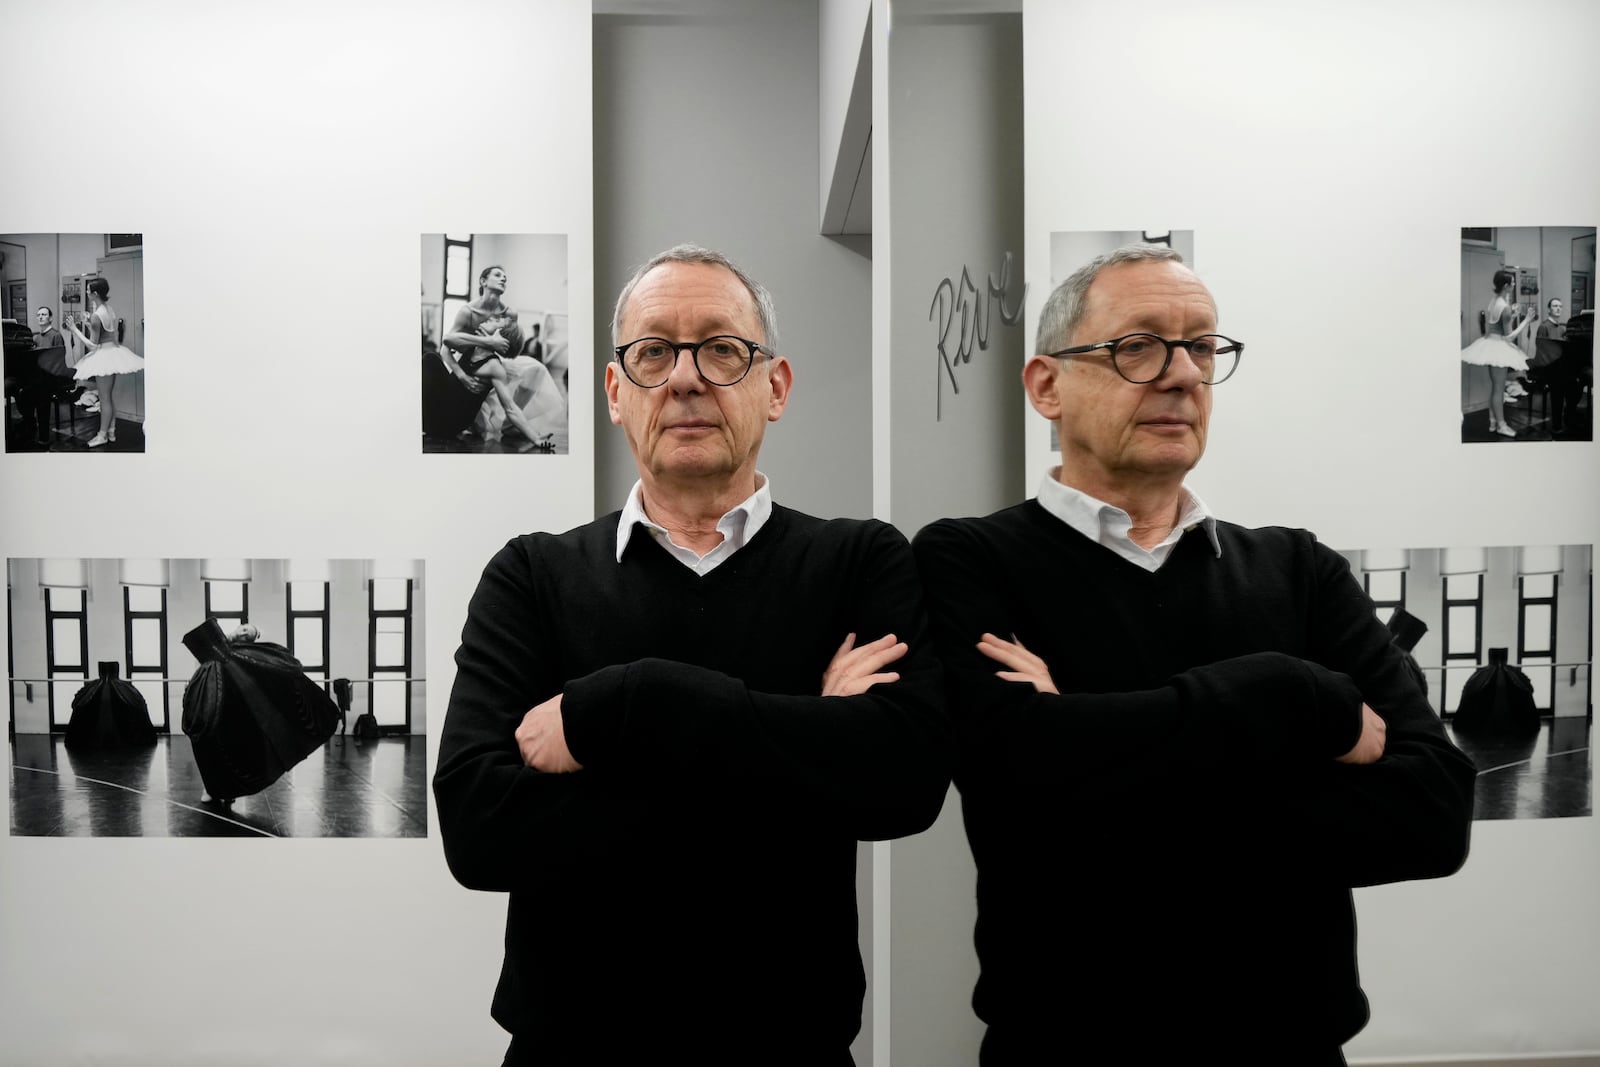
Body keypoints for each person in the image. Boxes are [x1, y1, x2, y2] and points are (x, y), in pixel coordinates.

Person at [912, 245, 1476, 1065]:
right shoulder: (969, 561)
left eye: (1203, 347)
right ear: (1046, 385)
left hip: (1291, 1048)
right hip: (1065, 1048)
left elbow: (1432, 815)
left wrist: (1098, 751)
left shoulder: (1298, 571)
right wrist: (1290, 697)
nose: (1182, 375)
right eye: (1137, 346)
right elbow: (1018, 772)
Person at [434, 244, 951, 1066]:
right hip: (571, 1052)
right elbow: (478, 830)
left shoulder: (859, 561)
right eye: (652, 353)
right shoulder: (532, 575)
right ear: (614, 391)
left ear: (774, 385)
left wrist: (627, 704)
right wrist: (803, 738)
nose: (684, 378)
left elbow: (903, 783)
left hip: (794, 1051)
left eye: (721, 349)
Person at [440, 265, 547, 446]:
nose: (503, 278)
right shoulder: (468, 312)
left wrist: (495, 353)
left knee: (535, 369)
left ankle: (509, 426)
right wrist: (462, 375)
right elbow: (445, 347)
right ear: (483, 281)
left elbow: (509, 339)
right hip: (468, 358)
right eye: (498, 275)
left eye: (505, 277)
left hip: (493, 359)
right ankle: (477, 415)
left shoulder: (510, 313)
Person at [61, 277, 143, 447]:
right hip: (112, 351)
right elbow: (108, 334)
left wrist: (75, 330)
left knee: (104, 398)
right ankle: (111, 430)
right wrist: (89, 324)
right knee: (108, 396)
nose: (86, 292)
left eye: (88, 289)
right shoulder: (108, 309)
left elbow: (92, 346)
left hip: (103, 355)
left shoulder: (97, 315)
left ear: (94, 293)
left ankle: (102, 435)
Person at [1461, 268, 1537, 437]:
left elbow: (1497, 324)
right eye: (1512, 282)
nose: (1514, 284)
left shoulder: (1494, 300)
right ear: (1506, 285)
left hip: (1490, 343)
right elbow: (1509, 337)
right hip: (1499, 346)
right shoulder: (1505, 307)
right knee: (1499, 388)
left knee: (1495, 387)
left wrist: (1514, 314)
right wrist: (1526, 320)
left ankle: (1493, 422)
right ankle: (1502, 425)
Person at [1535, 296, 1585, 437]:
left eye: (1560, 306)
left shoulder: (1563, 327)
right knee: (1559, 387)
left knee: (1576, 386)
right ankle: (1556, 425)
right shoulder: (1543, 327)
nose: (1558, 308)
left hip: (1560, 369)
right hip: (1548, 369)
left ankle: (1569, 416)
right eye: (1555, 306)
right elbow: (1542, 351)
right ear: (1549, 309)